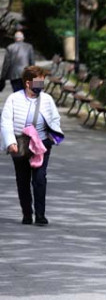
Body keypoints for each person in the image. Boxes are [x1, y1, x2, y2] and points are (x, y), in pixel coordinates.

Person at [1, 66, 63, 225]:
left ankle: (40, 215)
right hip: (20, 144)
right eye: (38, 82)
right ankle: (27, 213)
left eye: (42, 82)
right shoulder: (14, 99)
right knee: (22, 180)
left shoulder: (47, 99)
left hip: (41, 144)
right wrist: (10, 142)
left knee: (40, 179)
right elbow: (6, 122)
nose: (41, 85)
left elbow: (55, 119)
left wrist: (52, 138)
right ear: (28, 83)